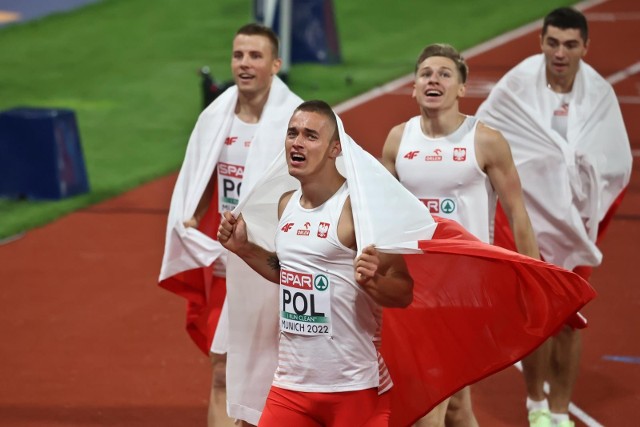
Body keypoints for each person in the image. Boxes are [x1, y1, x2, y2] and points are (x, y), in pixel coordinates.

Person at [476, 7, 632, 427]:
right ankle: (536, 405)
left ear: (585, 47)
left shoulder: (599, 94)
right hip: (524, 217)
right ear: (541, 42)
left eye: (569, 44)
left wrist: (581, 182)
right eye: (552, 42)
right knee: (534, 315)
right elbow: (486, 137)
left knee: (567, 319)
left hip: (576, 224)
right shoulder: (516, 86)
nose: (560, 53)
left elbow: (617, 160)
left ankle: (560, 412)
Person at [217, 100, 415, 426]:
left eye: (311, 136)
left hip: (354, 388)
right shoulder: (287, 205)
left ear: (335, 148)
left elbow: (404, 289)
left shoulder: (358, 209)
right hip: (291, 387)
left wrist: (375, 282)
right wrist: (244, 248)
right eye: (292, 133)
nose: (297, 142)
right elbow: (289, 273)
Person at [381, 43, 541, 427]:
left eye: (444, 74)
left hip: (464, 293)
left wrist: (534, 278)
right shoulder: (397, 141)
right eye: (425, 74)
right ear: (414, 88)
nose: (433, 79)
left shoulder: (484, 140)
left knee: (429, 401)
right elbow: (379, 216)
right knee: (455, 406)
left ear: (462, 88)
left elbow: (518, 213)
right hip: (411, 290)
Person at [158, 23, 302, 427]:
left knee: (274, 372)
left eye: (255, 56)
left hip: (271, 263)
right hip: (227, 258)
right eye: (238, 55)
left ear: (275, 64)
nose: (244, 64)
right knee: (222, 368)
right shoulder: (216, 117)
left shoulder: (296, 121)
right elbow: (205, 176)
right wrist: (190, 216)